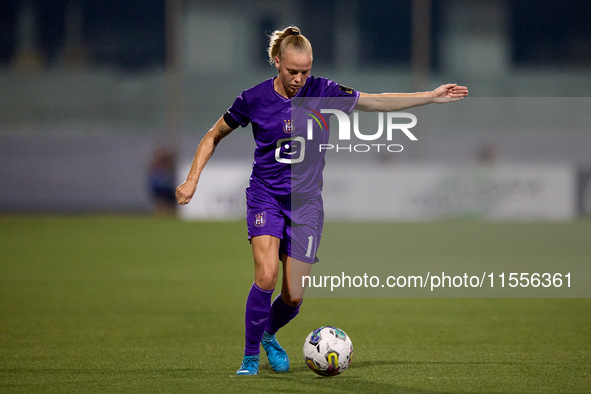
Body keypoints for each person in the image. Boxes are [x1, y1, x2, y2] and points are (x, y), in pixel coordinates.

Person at [176, 26, 468, 376]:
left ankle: (269, 334)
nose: (299, 79)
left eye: (305, 71)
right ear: (276, 62)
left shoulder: (324, 90)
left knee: (293, 296)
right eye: (292, 71)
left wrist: (430, 97)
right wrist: (193, 179)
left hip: (305, 204)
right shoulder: (252, 98)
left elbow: (375, 101)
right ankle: (249, 358)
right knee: (266, 276)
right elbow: (213, 135)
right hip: (265, 196)